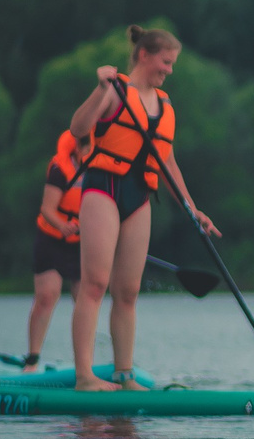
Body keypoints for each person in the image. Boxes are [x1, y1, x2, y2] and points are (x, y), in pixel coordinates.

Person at [67, 25, 219, 393]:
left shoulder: (165, 105)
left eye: (172, 64)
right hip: (103, 188)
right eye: (165, 62)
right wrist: (100, 89)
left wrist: (191, 207)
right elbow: (78, 128)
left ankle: (124, 375)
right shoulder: (115, 90)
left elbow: (167, 161)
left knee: (129, 291)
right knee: (95, 284)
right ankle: (85, 376)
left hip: (139, 197)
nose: (169, 70)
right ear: (144, 55)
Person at [20, 129, 89, 369]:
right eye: (88, 150)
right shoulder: (60, 169)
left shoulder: (104, 168)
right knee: (47, 295)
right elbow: (47, 209)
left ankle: (84, 364)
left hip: (82, 242)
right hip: (51, 237)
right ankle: (32, 359)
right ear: (79, 148)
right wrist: (63, 226)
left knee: (85, 299)